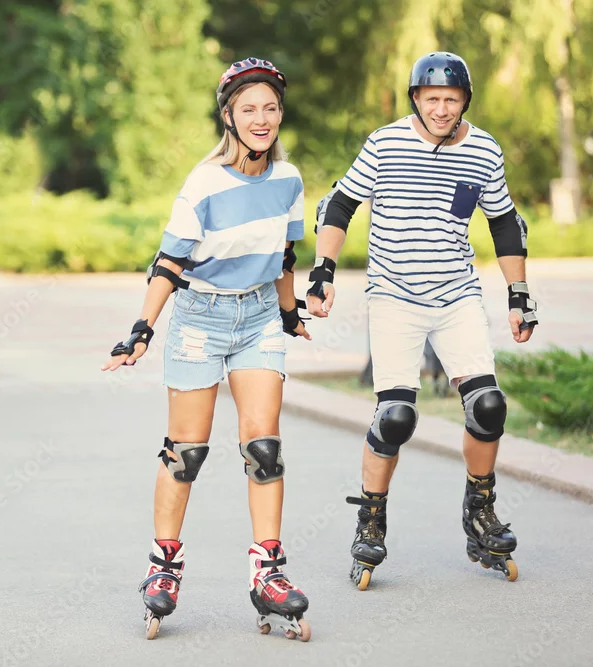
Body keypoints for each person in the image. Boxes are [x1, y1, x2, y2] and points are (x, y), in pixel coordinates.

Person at [306, 52, 539, 587]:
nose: (441, 109)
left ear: (465, 101)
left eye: (451, 99)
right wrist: (323, 271)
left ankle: (480, 510)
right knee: (395, 417)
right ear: (415, 98)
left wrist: (519, 294)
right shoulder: (385, 143)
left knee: (488, 406)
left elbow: (505, 223)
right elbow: (338, 205)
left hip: (457, 296)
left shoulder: (484, 150)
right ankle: (371, 519)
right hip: (394, 296)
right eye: (431, 98)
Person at [102, 57, 313, 641]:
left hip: (260, 317)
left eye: (270, 108)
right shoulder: (204, 183)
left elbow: (285, 257)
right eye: (249, 109)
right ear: (229, 117)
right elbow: (169, 262)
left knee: (264, 446)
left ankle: (268, 571)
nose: (261, 119)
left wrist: (290, 314)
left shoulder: (289, 179)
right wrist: (141, 329)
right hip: (200, 316)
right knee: (185, 453)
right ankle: (163, 565)